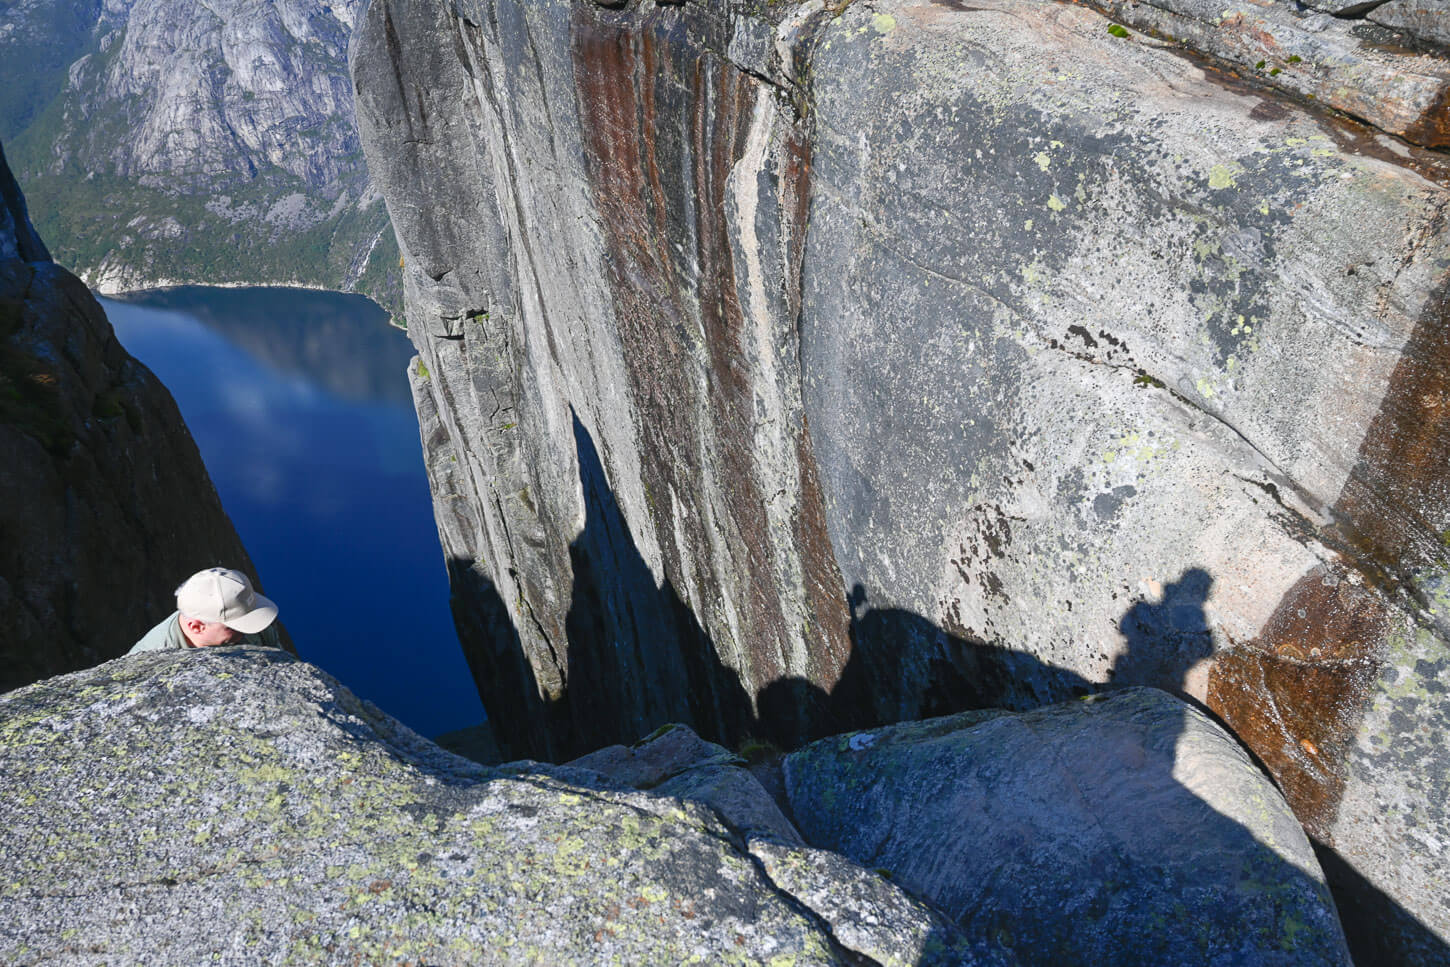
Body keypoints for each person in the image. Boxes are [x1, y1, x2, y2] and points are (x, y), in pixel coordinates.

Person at [129, 567, 281, 653]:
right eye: (235, 626)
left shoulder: (247, 619)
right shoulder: (149, 659)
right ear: (196, 626)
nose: (248, 631)